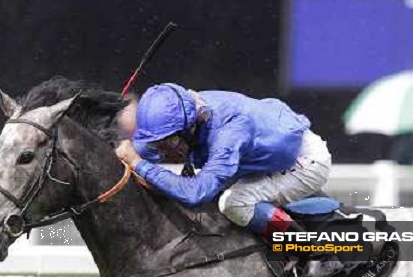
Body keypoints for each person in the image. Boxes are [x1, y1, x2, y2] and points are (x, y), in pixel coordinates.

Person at [116, 83, 331, 236]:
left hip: (304, 162)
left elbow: (195, 193)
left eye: (169, 143)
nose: (162, 153)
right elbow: (144, 147)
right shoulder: (188, 115)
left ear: (189, 128)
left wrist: (139, 164)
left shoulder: (227, 136)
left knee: (233, 204)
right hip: (262, 154)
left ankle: (309, 250)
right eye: (158, 144)